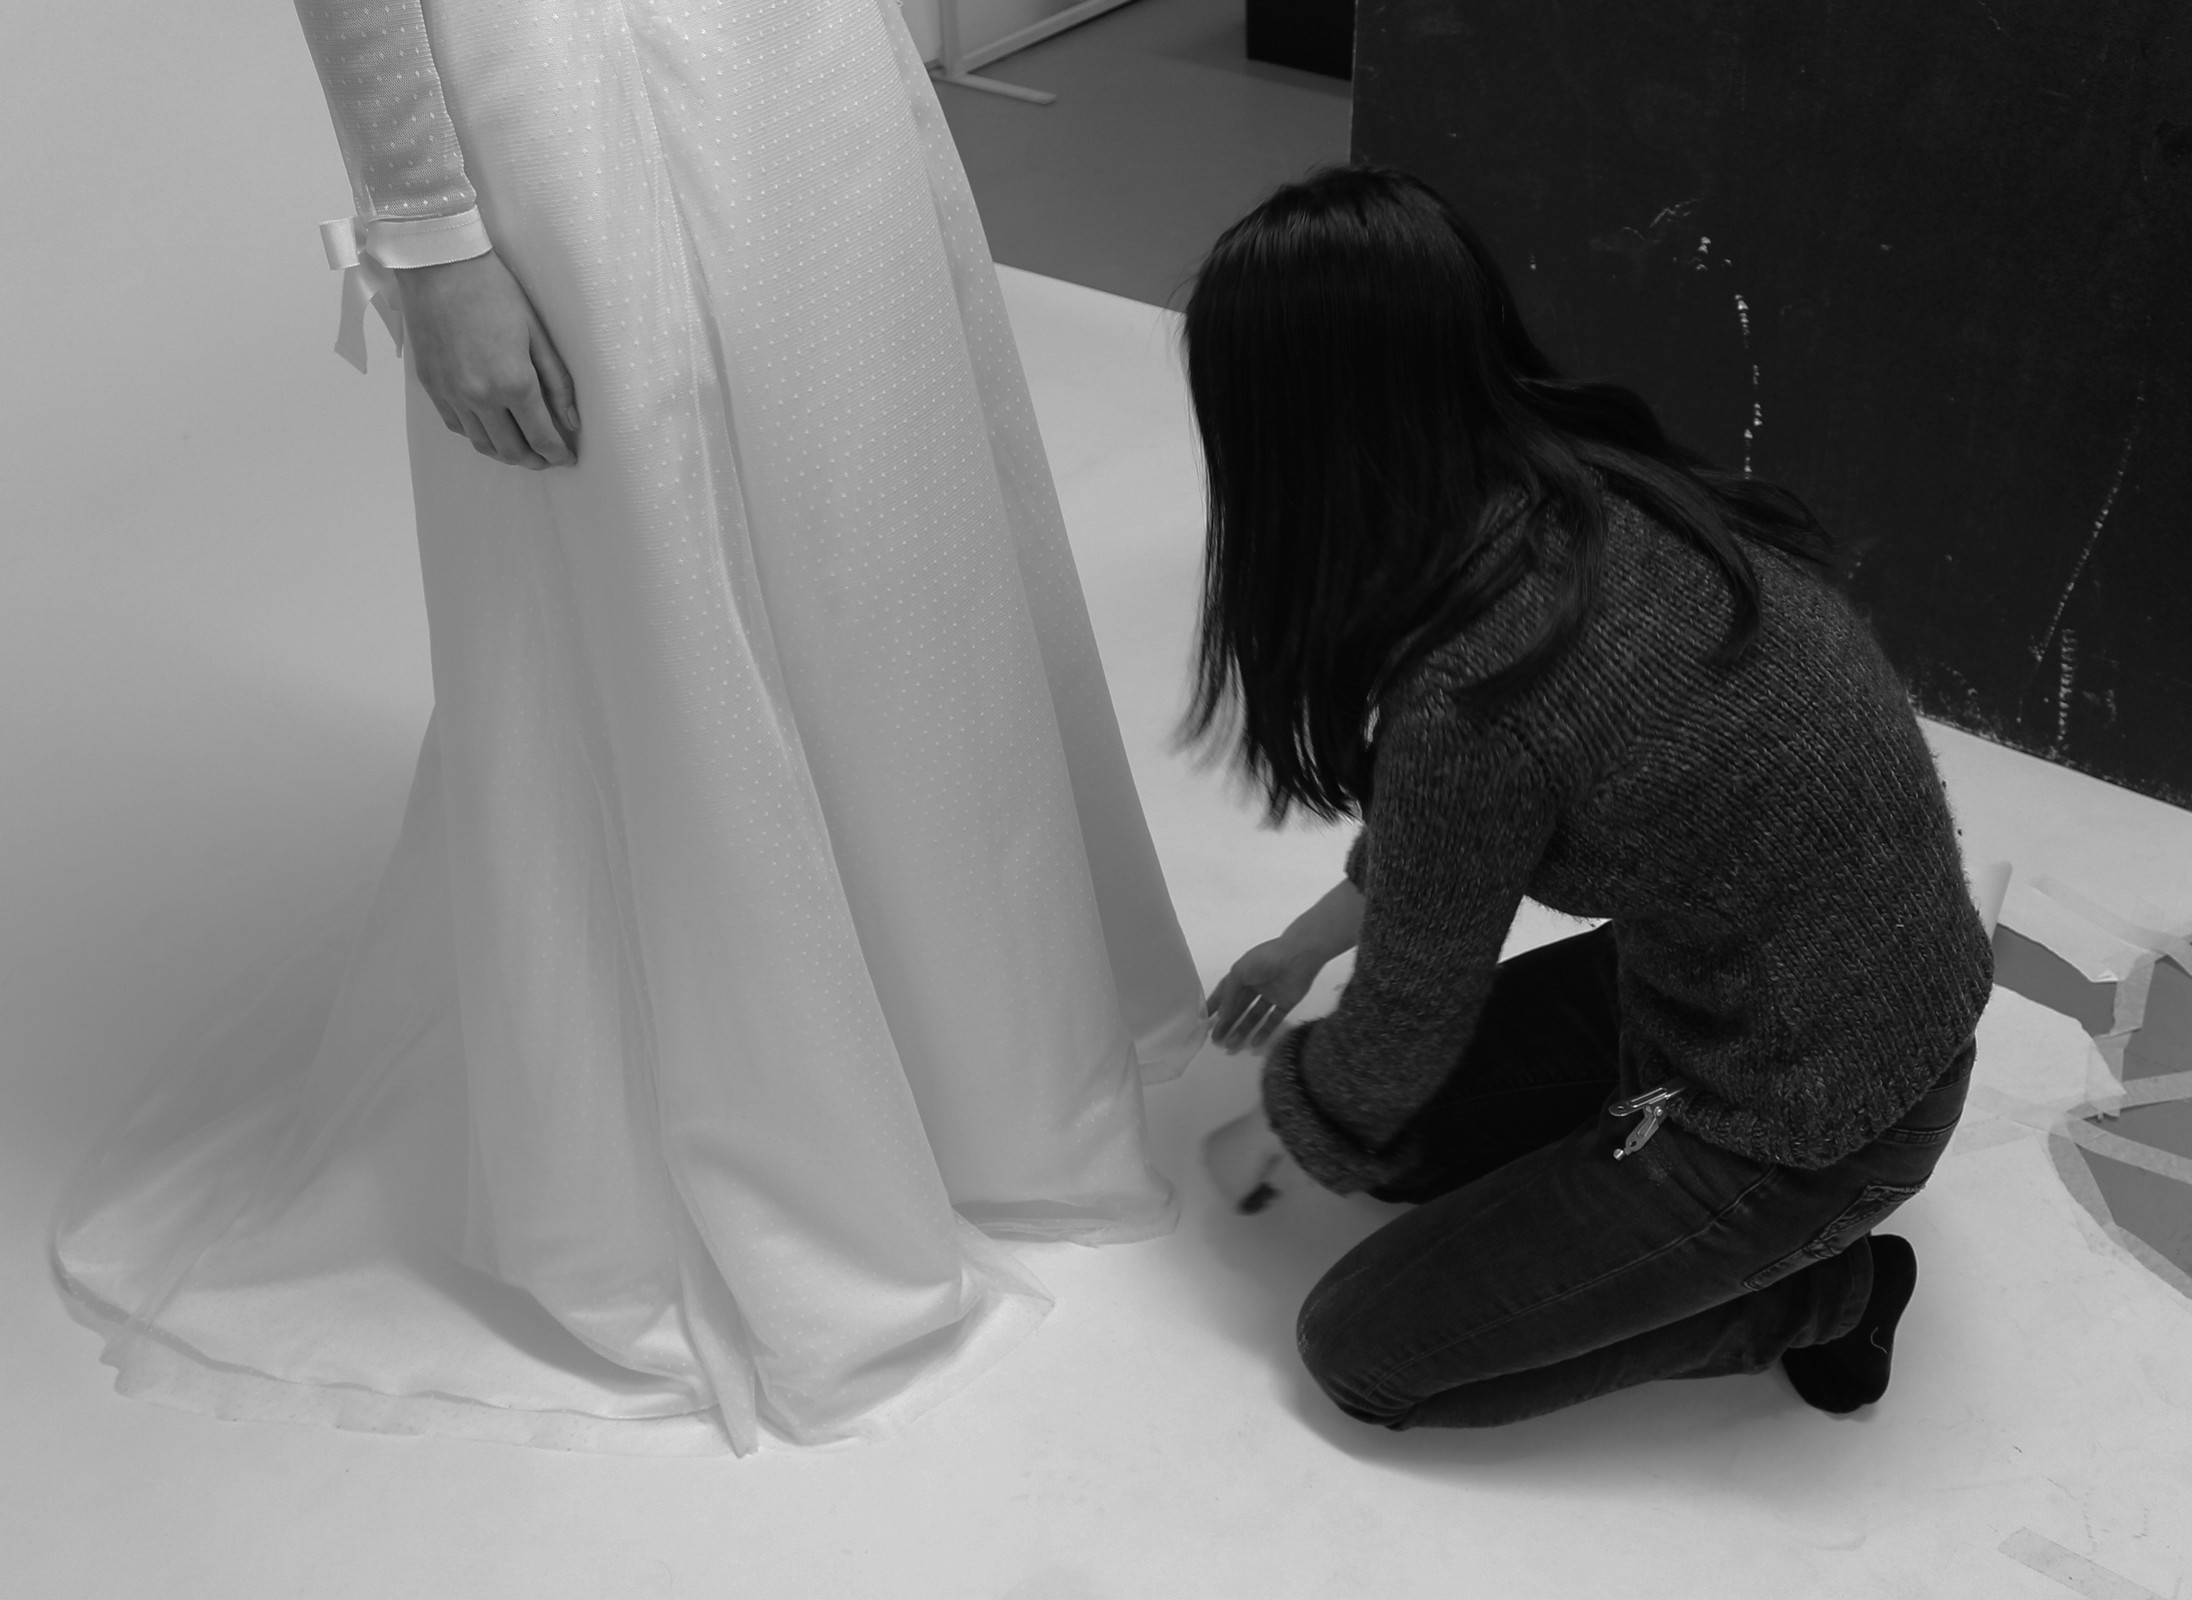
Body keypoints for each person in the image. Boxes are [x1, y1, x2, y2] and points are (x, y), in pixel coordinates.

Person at [50, 0, 1205, 1455]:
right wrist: (431, 236)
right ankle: (782, 1148)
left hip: (802, 73)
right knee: (649, 587)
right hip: (560, 96)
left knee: (891, 567)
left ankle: (977, 1088)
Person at [1191, 166, 1994, 1428]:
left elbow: (1408, 1006)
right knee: (1407, 1147)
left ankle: (1831, 1292)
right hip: (1800, 984)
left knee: (1360, 1349)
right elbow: (1449, 847)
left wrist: (1291, 1126)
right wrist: (1305, 944)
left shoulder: (1472, 675)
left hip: (1807, 1112)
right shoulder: (1583, 484)